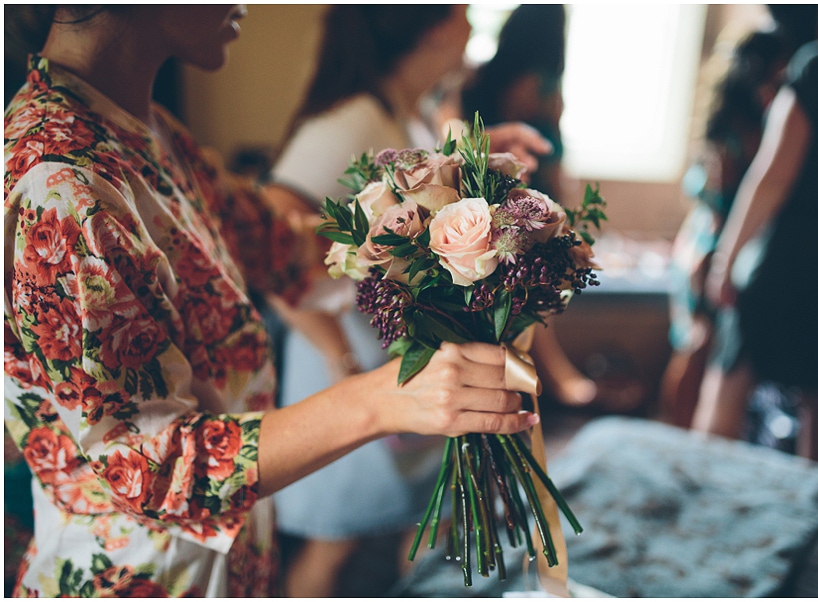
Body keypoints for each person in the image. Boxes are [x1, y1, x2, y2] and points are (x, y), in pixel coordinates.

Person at [3, 5, 539, 597]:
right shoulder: (60, 185)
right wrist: (382, 397)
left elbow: (285, 248)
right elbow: (149, 468)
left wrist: (452, 186)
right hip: (136, 576)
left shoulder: (149, 132)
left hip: (229, 560)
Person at [262, 5, 557, 597]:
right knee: (334, 543)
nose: (473, 25)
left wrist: (479, 159)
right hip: (342, 369)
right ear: (425, 26)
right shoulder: (349, 124)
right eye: (462, 12)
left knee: (415, 521)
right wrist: (339, 358)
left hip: (399, 360)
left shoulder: (410, 115)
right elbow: (269, 257)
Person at [694, 5, 818, 471]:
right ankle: (815, 528)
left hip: (789, 257)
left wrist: (725, 261)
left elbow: (772, 176)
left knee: (730, 379)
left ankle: (697, 503)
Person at [457, 4, 603, 409]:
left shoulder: (496, 80)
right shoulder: (492, 85)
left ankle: (544, 370)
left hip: (523, 190)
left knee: (542, 265)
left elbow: (550, 162)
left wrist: (560, 215)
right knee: (524, 269)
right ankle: (552, 372)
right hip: (492, 194)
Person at [658, 29, 794, 428]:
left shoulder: (723, 127)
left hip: (695, 246)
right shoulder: (744, 135)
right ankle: (678, 431)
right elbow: (721, 209)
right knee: (699, 348)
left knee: (693, 349)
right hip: (709, 252)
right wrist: (715, 268)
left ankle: (676, 431)